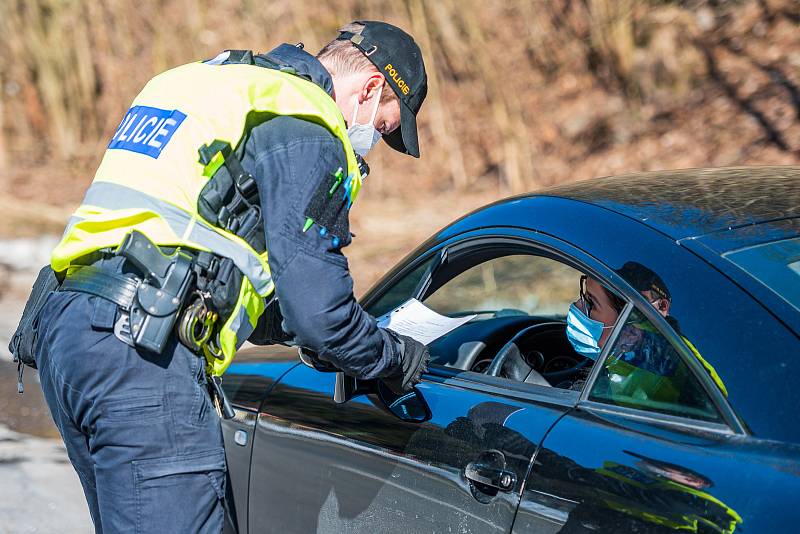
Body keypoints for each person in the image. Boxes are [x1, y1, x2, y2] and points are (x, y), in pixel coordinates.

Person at [32, 21, 429, 533]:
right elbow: (320, 315)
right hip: (143, 353)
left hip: (70, 333)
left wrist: (293, 327)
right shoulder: (305, 120)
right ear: (372, 88)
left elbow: (211, 254)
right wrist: (390, 358)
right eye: (383, 127)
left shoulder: (201, 82)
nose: (372, 140)